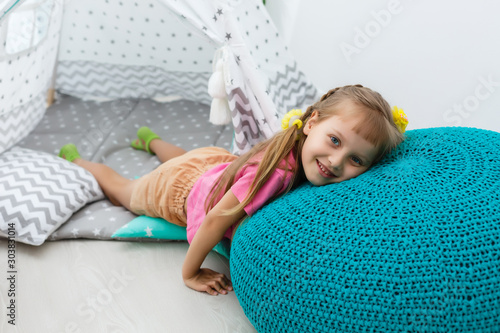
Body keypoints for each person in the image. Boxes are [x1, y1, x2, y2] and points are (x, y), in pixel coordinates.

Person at [58, 84, 407, 296]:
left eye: (356, 160)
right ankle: (80, 162)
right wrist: (190, 273)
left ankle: (150, 141)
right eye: (334, 140)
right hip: (178, 190)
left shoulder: (293, 151)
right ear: (312, 122)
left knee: (184, 157)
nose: (335, 161)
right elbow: (213, 221)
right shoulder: (277, 174)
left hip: (215, 166)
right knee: (124, 191)